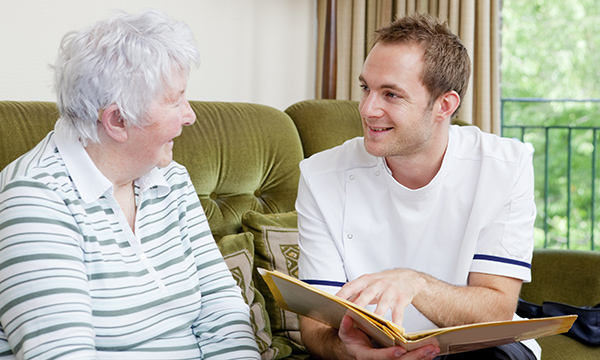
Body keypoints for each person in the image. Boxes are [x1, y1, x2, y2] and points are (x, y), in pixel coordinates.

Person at [0, 10, 260, 359]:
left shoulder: (170, 178)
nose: (190, 115)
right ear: (117, 120)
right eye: (175, 99)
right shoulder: (33, 199)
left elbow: (221, 308)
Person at [296, 13, 539, 360]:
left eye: (391, 94)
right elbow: (317, 327)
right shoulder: (321, 175)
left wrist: (415, 283)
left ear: (445, 105)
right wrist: (350, 352)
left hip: (477, 346)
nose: (367, 109)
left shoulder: (504, 165)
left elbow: (496, 308)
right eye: (366, 88)